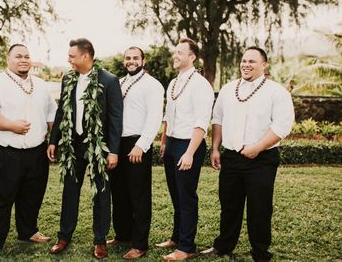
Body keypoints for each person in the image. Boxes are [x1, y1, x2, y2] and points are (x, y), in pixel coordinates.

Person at [201, 47, 294, 262]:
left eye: (252, 61)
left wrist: (258, 147)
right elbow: (218, 119)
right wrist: (215, 148)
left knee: (259, 207)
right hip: (231, 157)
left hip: (262, 159)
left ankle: (260, 252)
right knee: (229, 205)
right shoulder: (228, 89)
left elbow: (282, 126)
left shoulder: (277, 92)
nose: (246, 64)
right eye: (243, 60)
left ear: (264, 65)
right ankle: (223, 246)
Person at [0, 44, 57, 258]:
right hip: (1, 151)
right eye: (18, 56)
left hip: (35, 152)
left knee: (32, 195)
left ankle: (28, 231)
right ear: (8, 59)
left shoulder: (40, 85)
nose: (24, 60)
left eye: (27, 56)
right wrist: (11, 126)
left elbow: (51, 114)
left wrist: (53, 140)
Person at [47, 38, 123, 259]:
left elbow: (116, 118)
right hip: (73, 145)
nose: (68, 59)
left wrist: (114, 151)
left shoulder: (109, 80)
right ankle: (64, 237)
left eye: (72, 56)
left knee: (101, 193)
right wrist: (53, 140)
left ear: (86, 56)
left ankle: (100, 241)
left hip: (99, 147)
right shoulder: (68, 79)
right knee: (70, 191)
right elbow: (61, 112)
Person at [156, 38, 214, 261]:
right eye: (175, 52)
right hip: (171, 143)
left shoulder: (201, 85)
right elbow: (168, 116)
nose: (175, 56)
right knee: (175, 196)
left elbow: (201, 122)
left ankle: (186, 247)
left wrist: (189, 153)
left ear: (192, 57)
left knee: (187, 197)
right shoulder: (173, 83)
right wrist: (163, 142)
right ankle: (176, 238)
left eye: (180, 52)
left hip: (188, 145)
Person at [108, 46, 164, 260]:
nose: (131, 61)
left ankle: (139, 244)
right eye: (128, 58)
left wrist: (142, 145)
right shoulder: (119, 83)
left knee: (139, 195)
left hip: (137, 142)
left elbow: (154, 117)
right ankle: (122, 235)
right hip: (117, 144)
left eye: (135, 58)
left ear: (143, 60)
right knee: (119, 191)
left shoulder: (152, 85)